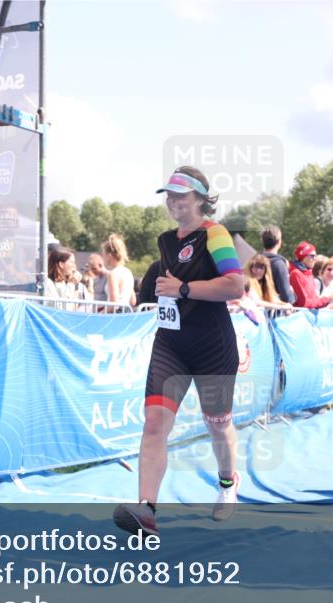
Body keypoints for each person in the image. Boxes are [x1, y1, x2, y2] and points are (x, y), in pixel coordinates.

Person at [112, 166, 245, 537]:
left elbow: (236, 285)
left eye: (180, 196)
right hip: (171, 344)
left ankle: (227, 482)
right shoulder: (165, 241)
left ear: (201, 199)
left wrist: (184, 289)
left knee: (217, 426)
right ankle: (147, 511)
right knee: (154, 423)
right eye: (168, 196)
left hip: (213, 347)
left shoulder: (214, 234)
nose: (172, 202)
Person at [289, 241, 333, 309]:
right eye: (312, 256)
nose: (314, 259)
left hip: (307, 316)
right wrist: (326, 299)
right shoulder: (295, 274)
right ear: (303, 257)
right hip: (299, 316)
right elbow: (304, 303)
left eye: (315, 256)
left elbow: (315, 302)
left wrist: (330, 298)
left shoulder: (309, 274)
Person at [260, 225, 295, 305]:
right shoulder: (279, 265)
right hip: (274, 313)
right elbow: (286, 297)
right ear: (279, 242)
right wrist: (293, 294)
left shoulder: (253, 262)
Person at [102, 233, 136, 308]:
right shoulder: (128, 272)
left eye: (103, 254)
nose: (103, 257)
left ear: (109, 255)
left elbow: (113, 305)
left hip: (115, 316)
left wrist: (97, 315)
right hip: (126, 314)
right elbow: (133, 301)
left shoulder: (113, 274)